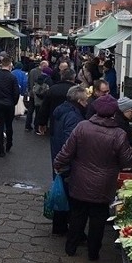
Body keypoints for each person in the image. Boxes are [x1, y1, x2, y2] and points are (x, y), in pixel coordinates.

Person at [54, 94, 132, 260]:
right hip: (104, 185)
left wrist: (58, 164)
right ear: (114, 112)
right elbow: (128, 160)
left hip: (79, 181)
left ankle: (70, 248)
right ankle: (93, 254)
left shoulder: (82, 127)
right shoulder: (118, 134)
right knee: (98, 220)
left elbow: (67, 150)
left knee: (78, 215)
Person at [48, 85, 89, 235]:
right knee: (71, 196)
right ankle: (74, 232)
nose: (87, 103)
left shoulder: (61, 110)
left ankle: (59, 227)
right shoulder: (73, 116)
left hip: (58, 155)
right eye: (85, 101)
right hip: (68, 162)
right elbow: (71, 141)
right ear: (79, 100)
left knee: (63, 194)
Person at [0, 56, 21, 157]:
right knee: (9, 125)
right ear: (10, 65)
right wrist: (13, 102)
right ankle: (9, 143)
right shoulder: (12, 77)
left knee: (0, 126)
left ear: (1, 64)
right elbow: (16, 93)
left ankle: (1, 149)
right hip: (9, 104)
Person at [36, 67, 76, 135]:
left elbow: (44, 107)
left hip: (55, 122)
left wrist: (42, 123)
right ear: (73, 77)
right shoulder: (77, 91)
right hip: (73, 123)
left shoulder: (52, 89)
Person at [25, 60, 48, 131]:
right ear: (43, 65)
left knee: (30, 110)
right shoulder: (41, 73)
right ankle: (36, 126)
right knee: (37, 111)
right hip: (37, 95)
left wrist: (30, 90)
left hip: (31, 93)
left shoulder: (32, 71)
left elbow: (29, 82)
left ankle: (28, 125)